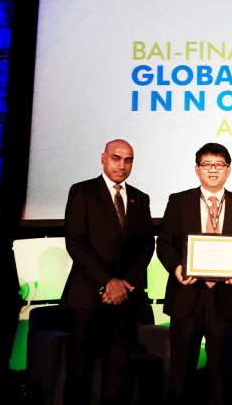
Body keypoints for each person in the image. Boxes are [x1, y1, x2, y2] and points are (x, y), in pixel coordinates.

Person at [156, 143, 232, 405]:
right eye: (207, 165)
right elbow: (164, 243)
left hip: (226, 298)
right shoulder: (178, 201)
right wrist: (177, 267)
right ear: (197, 169)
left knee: (222, 372)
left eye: (219, 165)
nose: (213, 170)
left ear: (228, 170)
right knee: (181, 372)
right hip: (186, 295)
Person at [62, 139, 155, 405]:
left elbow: (147, 245)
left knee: (119, 372)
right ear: (103, 158)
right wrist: (107, 283)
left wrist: (124, 284)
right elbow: (76, 242)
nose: (122, 165)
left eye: (128, 160)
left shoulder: (141, 197)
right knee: (80, 370)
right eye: (116, 158)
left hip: (124, 300)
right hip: (87, 297)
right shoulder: (82, 191)